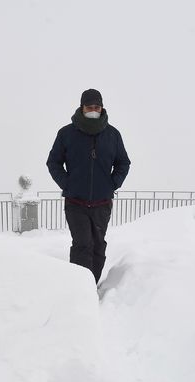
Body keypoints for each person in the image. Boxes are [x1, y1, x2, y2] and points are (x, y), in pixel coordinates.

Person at [46, 89, 131, 284]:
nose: (93, 110)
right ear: (82, 108)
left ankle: (92, 284)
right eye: (89, 107)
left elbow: (123, 163)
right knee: (82, 244)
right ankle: (80, 287)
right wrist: (67, 183)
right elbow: (53, 162)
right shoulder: (66, 133)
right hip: (75, 202)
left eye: (97, 107)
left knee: (98, 245)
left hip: (102, 203)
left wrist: (113, 183)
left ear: (102, 108)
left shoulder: (113, 135)